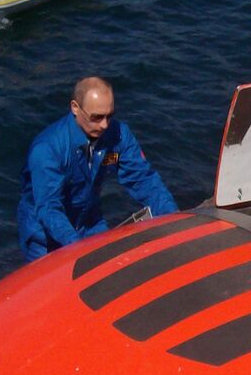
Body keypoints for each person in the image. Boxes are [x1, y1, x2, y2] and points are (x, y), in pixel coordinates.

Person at [17, 77, 179, 260]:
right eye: (96, 117)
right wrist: (78, 248)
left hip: (90, 223)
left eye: (109, 116)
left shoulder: (118, 134)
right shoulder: (47, 149)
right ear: (75, 108)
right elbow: (48, 207)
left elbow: (143, 179)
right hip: (45, 234)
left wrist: (171, 219)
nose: (104, 125)